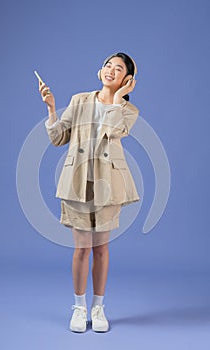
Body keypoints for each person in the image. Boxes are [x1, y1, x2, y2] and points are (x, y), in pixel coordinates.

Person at [39, 52, 140, 332]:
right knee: (82, 249)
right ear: (100, 70)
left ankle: (99, 307)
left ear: (127, 80)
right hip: (77, 182)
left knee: (102, 248)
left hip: (109, 185)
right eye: (108, 65)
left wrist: (118, 100)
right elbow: (59, 137)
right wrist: (51, 109)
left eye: (118, 69)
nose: (110, 70)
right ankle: (79, 306)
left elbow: (112, 130)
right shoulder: (80, 100)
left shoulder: (128, 111)